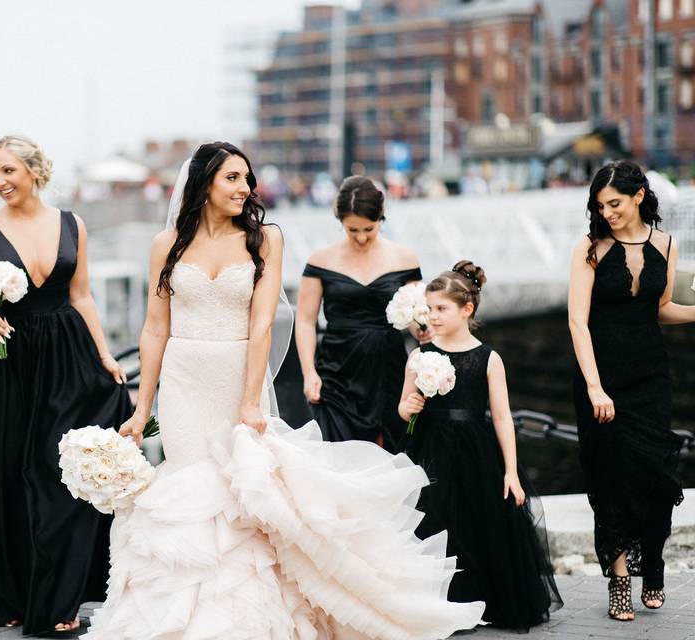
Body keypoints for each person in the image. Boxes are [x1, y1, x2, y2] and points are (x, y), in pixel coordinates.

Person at [83, 142, 485, 639]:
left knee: (237, 492)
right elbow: (154, 327)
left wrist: (251, 399)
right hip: (184, 382)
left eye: (246, 178)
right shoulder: (166, 243)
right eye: (232, 178)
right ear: (204, 182)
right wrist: (142, 409)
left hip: (236, 375)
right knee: (188, 486)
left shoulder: (263, 239)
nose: (244, 188)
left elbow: (261, 326)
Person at [0, 135, 132, 635]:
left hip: (66, 357)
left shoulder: (73, 224)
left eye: (8, 171)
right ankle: (7, 591)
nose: (0, 182)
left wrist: (104, 354)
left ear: (33, 171)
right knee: (6, 470)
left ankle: (61, 590)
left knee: (61, 472)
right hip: (3, 359)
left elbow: (82, 296)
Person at [399, 261, 563, 630]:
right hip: (430, 447)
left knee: (478, 525)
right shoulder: (419, 355)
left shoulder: (488, 358)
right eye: (429, 309)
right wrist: (407, 406)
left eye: (441, 309)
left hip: (474, 449)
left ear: (466, 309)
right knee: (435, 522)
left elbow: (502, 417)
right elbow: (403, 404)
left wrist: (510, 472)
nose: (433, 317)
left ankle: (482, 601)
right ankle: (441, 603)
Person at [568, 160, 694, 621]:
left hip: (650, 377)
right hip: (601, 379)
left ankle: (654, 567)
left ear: (639, 195)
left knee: (658, 478)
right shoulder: (590, 247)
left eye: (615, 203)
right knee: (610, 479)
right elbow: (577, 322)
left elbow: (660, 309)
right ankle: (620, 580)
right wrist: (596, 387)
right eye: (601, 205)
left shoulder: (666, 244)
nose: (607, 212)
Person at [297, 176, 424, 450]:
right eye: (352, 230)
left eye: (369, 228)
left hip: (389, 367)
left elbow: (416, 316)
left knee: (391, 448)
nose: (362, 237)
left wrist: (424, 329)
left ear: (381, 218)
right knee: (338, 453)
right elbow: (306, 321)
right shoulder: (320, 260)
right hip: (338, 369)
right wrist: (309, 373)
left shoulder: (405, 258)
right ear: (340, 221)